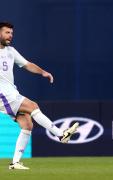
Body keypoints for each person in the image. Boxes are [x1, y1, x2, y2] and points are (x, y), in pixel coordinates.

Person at [0, 22, 79, 170]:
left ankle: (15, 163)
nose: (10, 35)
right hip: (2, 95)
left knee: (27, 124)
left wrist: (43, 72)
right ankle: (61, 134)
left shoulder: (11, 51)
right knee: (33, 106)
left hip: (11, 92)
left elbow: (27, 64)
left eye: (11, 33)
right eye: (6, 32)